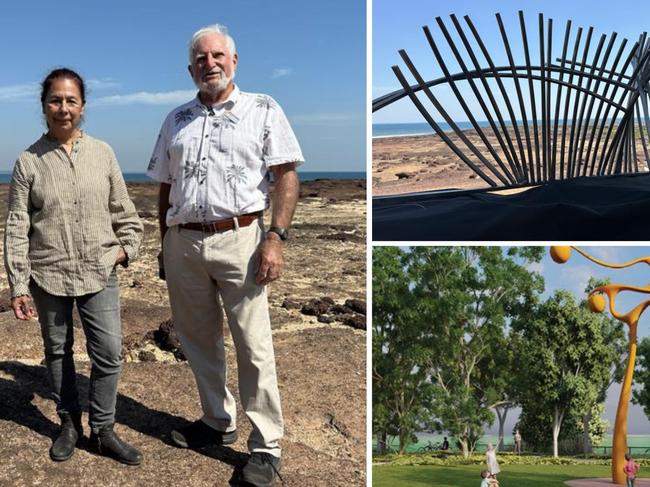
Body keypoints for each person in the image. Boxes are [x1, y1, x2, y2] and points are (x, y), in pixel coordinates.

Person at [146, 24, 303, 486]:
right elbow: (165, 186)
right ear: (190, 68)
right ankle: (217, 421)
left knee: (253, 344)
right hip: (183, 242)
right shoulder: (175, 119)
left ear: (234, 61)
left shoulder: (263, 109)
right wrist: (164, 242)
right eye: (200, 59)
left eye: (217, 56)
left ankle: (266, 446)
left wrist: (276, 237)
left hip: (243, 238)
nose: (208, 64)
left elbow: (286, 175)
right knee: (197, 339)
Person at [4, 68, 144, 465]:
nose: (63, 108)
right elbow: (17, 225)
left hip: (100, 273)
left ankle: (102, 429)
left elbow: (125, 213)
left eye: (71, 100)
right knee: (57, 351)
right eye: (55, 100)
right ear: (43, 105)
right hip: (47, 274)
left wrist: (123, 251)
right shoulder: (28, 161)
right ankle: (69, 424)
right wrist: (18, 284)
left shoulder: (103, 153)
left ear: (83, 106)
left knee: (109, 353)